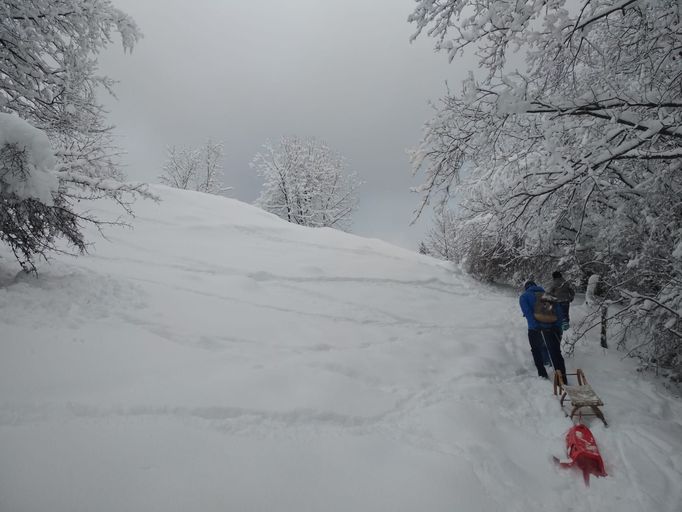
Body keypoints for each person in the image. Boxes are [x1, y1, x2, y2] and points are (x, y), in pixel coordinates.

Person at [519, 281, 567, 381]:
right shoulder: (548, 295)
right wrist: (557, 327)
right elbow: (558, 311)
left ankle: (542, 374)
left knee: (536, 350)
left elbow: (528, 313)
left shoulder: (524, 297)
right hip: (551, 328)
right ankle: (562, 379)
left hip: (534, 329)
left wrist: (535, 326)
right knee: (555, 352)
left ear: (526, 288)